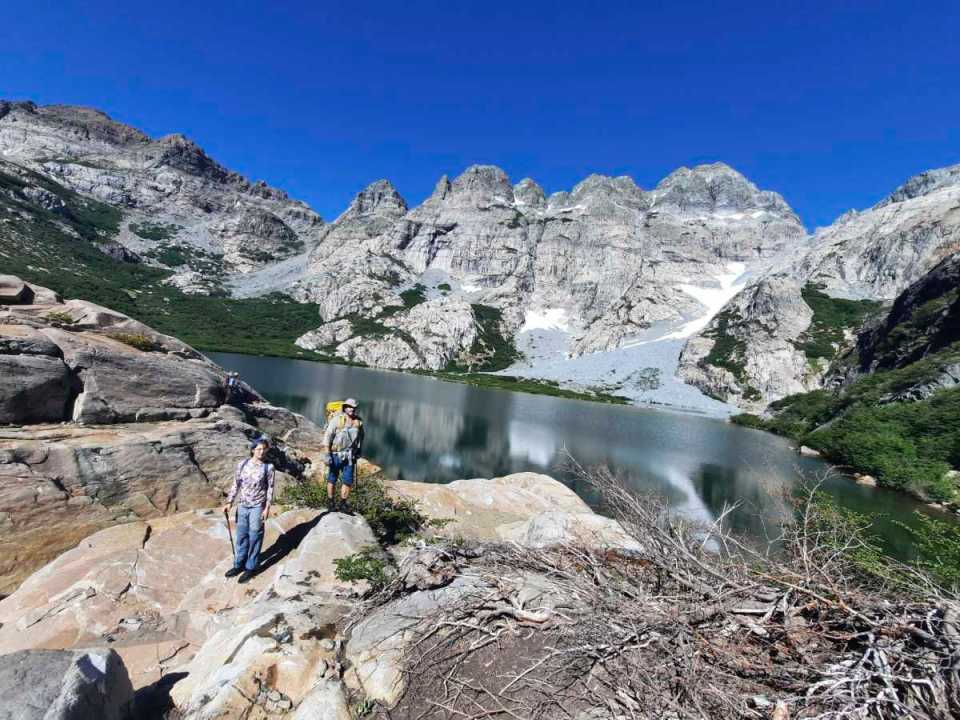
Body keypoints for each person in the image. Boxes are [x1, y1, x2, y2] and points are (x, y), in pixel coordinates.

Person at [222, 437, 274, 583]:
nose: (261, 452)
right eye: (258, 449)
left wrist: (267, 508)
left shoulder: (268, 467)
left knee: (255, 536)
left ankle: (251, 567)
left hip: (257, 506)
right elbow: (236, 484)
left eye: (264, 449)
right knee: (241, 535)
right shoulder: (243, 464)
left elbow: (270, 488)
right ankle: (238, 564)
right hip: (243, 505)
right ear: (252, 450)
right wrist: (229, 502)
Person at [324, 398, 364, 512]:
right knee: (332, 478)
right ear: (345, 407)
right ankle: (330, 502)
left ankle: (343, 504)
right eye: (349, 407)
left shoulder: (358, 422)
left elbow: (361, 437)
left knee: (347, 480)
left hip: (350, 456)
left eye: (354, 407)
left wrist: (359, 451)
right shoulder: (337, 420)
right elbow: (328, 436)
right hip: (335, 454)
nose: (352, 409)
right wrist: (327, 454)